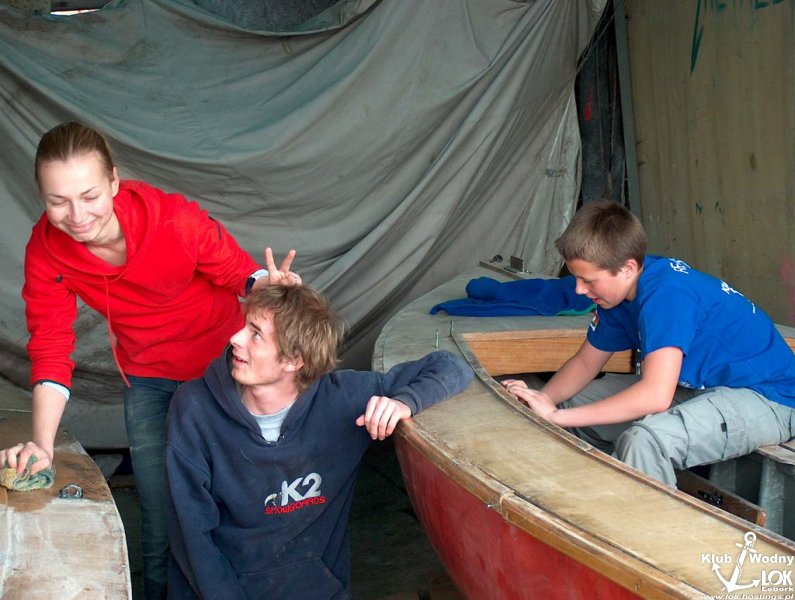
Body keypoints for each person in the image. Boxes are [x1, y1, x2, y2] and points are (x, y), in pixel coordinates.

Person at [0, 121, 300, 599]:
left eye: (89, 196)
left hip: (224, 371)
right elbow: (52, 346)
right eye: (58, 201)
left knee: (243, 501)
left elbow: (238, 275)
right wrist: (42, 443)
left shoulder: (173, 220)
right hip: (148, 378)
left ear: (114, 182)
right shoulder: (47, 250)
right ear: (42, 197)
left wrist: (267, 285)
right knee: (161, 515)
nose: (77, 216)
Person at [165, 284, 474, 599]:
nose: (235, 338)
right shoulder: (195, 409)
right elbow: (191, 533)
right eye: (245, 325)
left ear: (294, 360)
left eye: (255, 334)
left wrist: (405, 402)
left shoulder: (341, 399)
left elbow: (453, 366)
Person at [501, 200, 795, 487]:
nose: (579, 289)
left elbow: (655, 395)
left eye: (588, 280)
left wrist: (557, 416)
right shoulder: (617, 296)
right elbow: (586, 362)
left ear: (627, 268)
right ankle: (583, 491)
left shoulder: (667, 294)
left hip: (769, 397)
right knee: (573, 404)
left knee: (645, 442)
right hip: (699, 387)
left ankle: (645, 520)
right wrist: (541, 400)